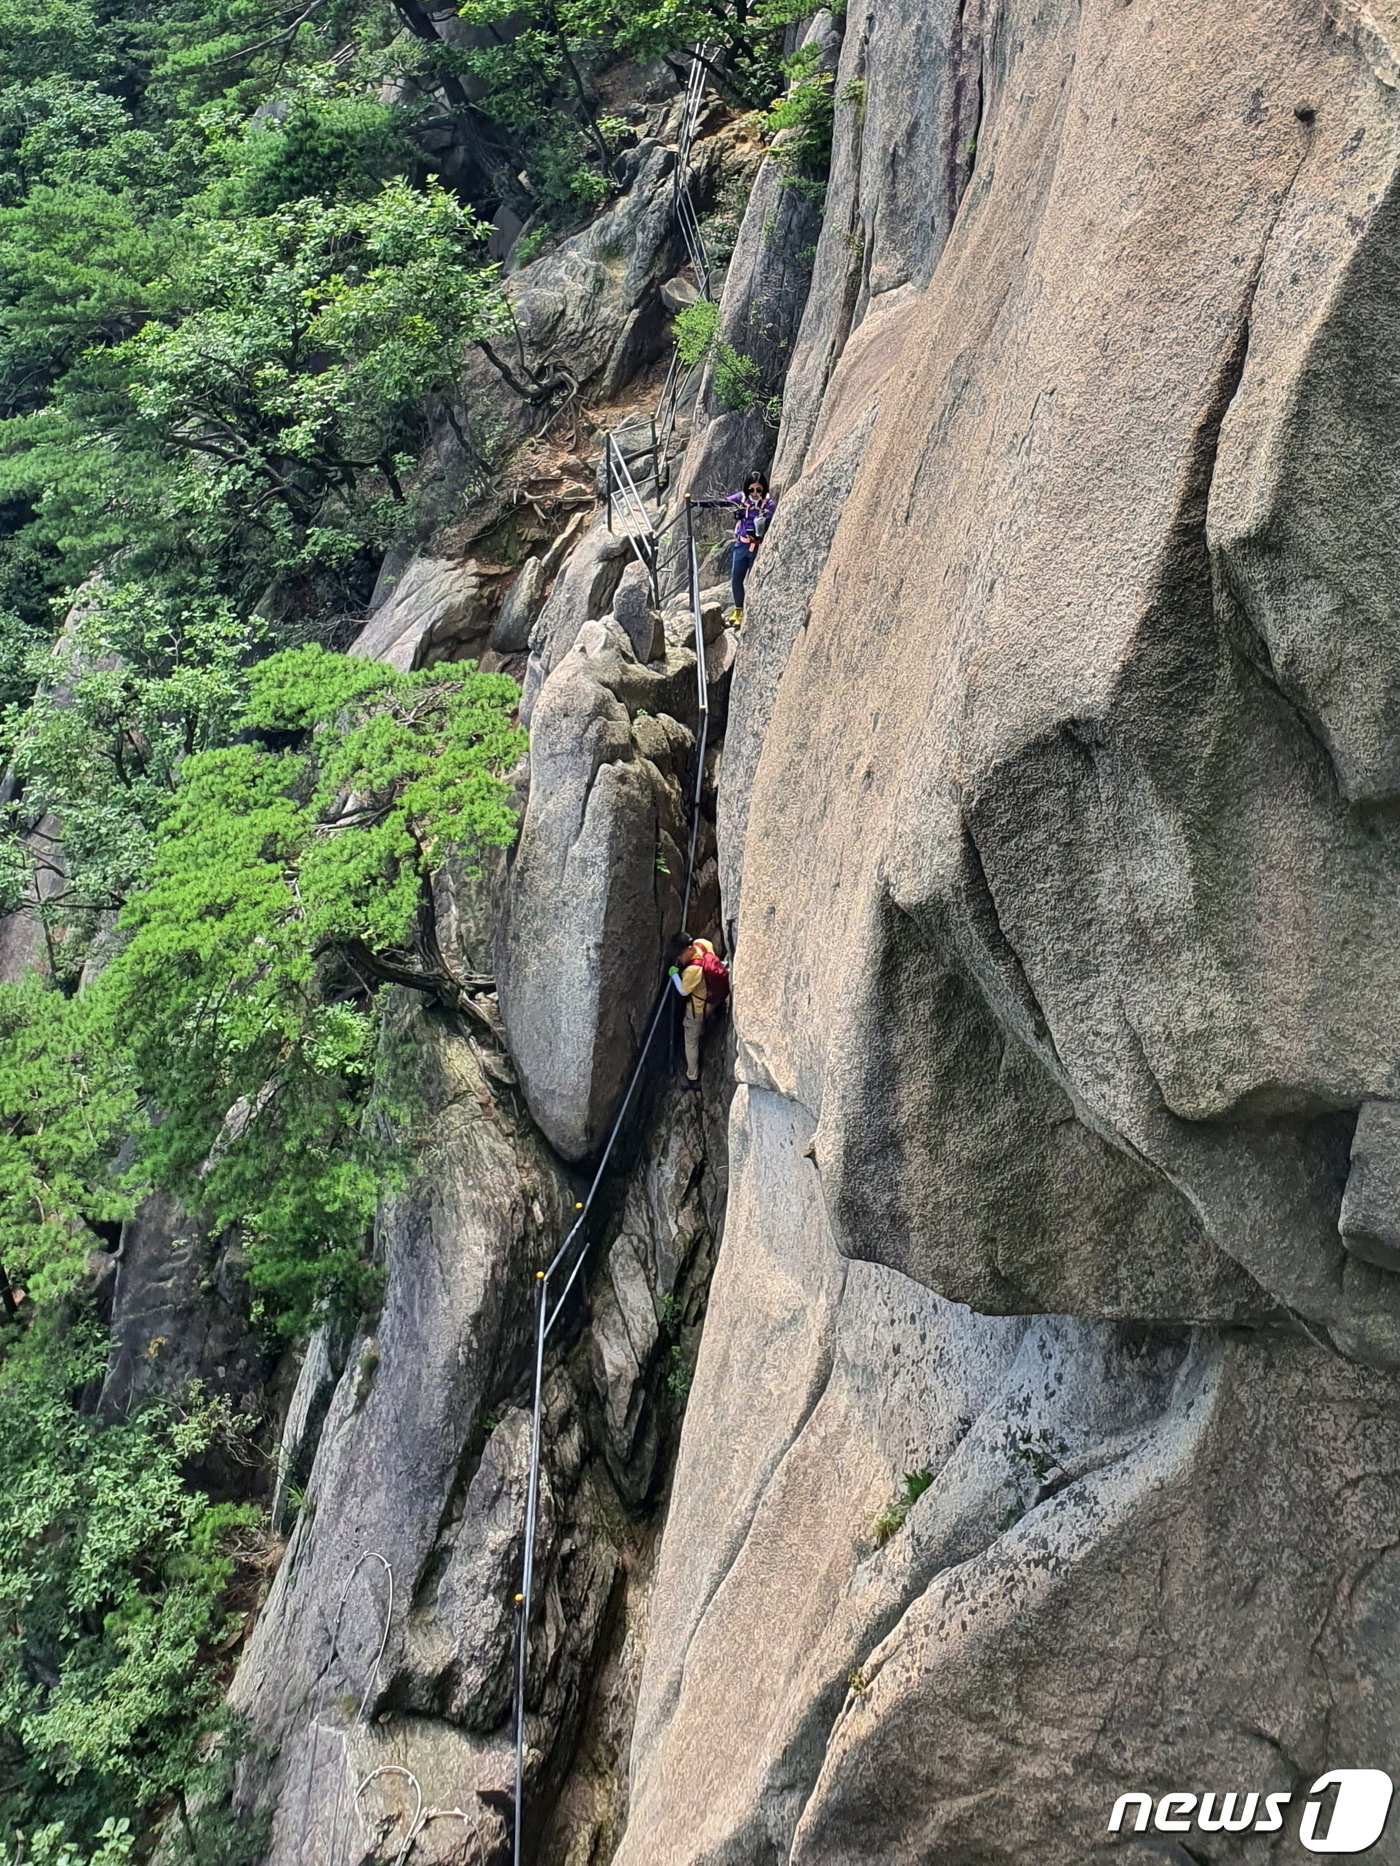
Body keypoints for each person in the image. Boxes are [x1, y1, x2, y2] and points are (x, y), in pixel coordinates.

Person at [668, 937, 729, 1089]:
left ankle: (692, 1076)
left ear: (689, 949)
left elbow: (683, 991)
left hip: (698, 1008)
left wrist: (674, 975)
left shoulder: (692, 970)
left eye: (680, 955)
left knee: (690, 1040)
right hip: (713, 998)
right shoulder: (703, 944)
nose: (679, 958)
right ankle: (709, 1022)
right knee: (704, 1020)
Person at [725, 471, 775, 624]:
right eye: (751, 489)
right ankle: (738, 609)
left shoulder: (768, 505)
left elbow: (766, 524)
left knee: (754, 581)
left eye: (758, 490)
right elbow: (724, 502)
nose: (754, 493)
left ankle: (752, 612)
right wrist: (698, 504)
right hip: (741, 545)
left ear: (763, 490)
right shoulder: (741, 498)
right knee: (737, 579)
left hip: (757, 548)